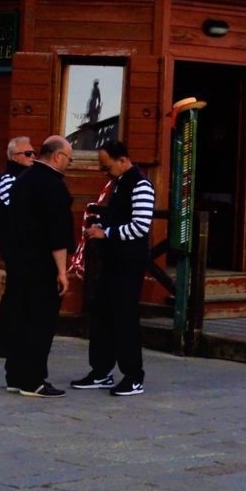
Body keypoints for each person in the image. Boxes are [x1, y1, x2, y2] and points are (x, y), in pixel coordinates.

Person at [73, 140, 153, 397]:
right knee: (102, 314)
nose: (104, 171)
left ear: (122, 160)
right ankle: (101, 371)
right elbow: (120, 217)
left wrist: (105, 232)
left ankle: (133, 375)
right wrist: (101, 222)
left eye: (107, 167)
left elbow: (140, 226)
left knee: (125, 318)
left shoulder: (141, 185)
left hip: (130, 263)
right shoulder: (118, 184)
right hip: (113, 260)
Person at [3, 136, 75, 397]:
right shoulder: (52, 186)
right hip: (42, 263)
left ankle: (15, 374)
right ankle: (33, 379)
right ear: (57, 156)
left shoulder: (23, 180)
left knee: (20, 318)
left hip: (19, 260)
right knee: (40, 322)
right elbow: (57, 234)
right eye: (69, 158)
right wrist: (62, 271)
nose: (70, 163)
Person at [0, 136, 36, 360]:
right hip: (14, 246)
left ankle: (16, 339)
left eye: (33, 153)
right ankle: (1, 343)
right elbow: (19, 209)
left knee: (24, 293)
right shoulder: (7, 180)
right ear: (14, 157)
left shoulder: (28, 178)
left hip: (27, 246)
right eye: (28, 154)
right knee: (15, 293)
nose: (33, 157)